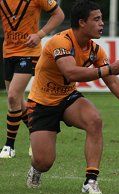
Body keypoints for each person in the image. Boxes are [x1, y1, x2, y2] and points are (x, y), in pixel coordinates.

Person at [25, 0, 119, 194]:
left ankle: (90, 181)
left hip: (67, 98)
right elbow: (71, 72)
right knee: (44, 162)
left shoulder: (96, 50)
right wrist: (110, 68)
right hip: (41, 103)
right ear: (81, 22)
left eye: (102, 19)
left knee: (94, 120)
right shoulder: (60, 42)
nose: (102, 23)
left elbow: (112, 81)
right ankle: (35, 169)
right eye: (96, 19)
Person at [0, 0, 65, 158]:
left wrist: (40, 34)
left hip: (29, 52)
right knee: (16, 100)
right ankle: (36, 135)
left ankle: (9, 146)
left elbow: (59, 15)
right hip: (8, 52)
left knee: (13, 95)